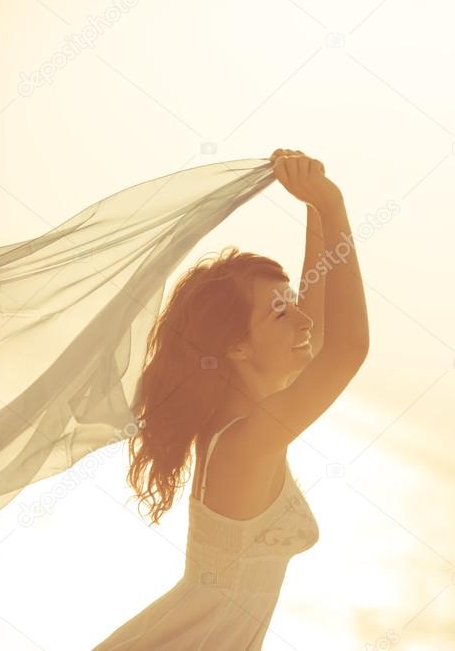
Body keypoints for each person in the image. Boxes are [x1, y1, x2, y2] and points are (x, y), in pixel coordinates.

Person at [94, 149, 370, 649]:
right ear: (236, 347)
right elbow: (347, 349)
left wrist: (311, 205)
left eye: (291, 306)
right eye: (281, 313)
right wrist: (333, 205)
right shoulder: (244, 444)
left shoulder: (246, 420)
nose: (302, 320)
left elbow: (320, 332)